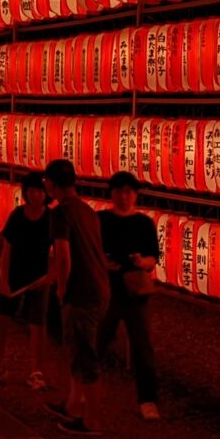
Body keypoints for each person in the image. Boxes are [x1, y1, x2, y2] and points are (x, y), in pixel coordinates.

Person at [41, 159, 110, 435]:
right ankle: (73, 404)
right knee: (77, 348)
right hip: (99, 287)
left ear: (52, 184)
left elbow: (64, 255)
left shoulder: (61, 214)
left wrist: (61, 287)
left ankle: (91, 419)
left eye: (46, 181)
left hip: (81, 290)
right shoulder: (87, 210)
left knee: (84, 352)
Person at [93, 171, 163, 420]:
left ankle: (148, 400)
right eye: (119, 191)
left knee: (143, 347)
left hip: (135, 292)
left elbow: (153, 257)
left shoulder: (144, 223)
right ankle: (85, 391)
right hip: (107, 289)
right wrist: (103, 261)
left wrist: (140, 261)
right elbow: (92, 251)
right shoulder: (100, 220)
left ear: (135, 195)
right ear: (111, 193)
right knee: (98, 341)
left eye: (128, 191)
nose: (124, 196)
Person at [0, 171, 61, 390]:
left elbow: (59, 251)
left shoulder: (51, 219)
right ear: (26, 192)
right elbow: (7, 247)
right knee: (0, 318)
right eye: (32, 190)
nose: (36, 195)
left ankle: (36, 371)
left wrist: (50, 277)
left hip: (38, 277)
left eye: (40, 190)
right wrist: (3, 277)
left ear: (46, 194)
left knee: (37, 324)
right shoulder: (18, 215)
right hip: (14, 274)